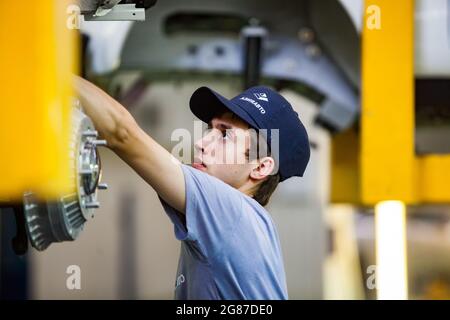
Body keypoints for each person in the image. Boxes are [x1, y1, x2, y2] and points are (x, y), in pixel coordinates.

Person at [74, 77, 310, 299]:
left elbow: (121, 133)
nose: (201, 143)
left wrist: (53, 71)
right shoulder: (243, 221)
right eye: (211, 129)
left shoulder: (232, 213)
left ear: (260, 167)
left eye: (225, 134)